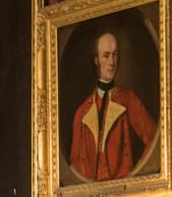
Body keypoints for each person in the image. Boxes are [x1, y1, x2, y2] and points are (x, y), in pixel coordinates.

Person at [67, 29, 157, 182]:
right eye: (106, 55)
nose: (112, 63)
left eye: (115, 55)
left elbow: (155, 139)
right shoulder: (82, 112)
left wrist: (135, 175)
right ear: (96, 60)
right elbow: (74, 165)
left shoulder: (129, 100)